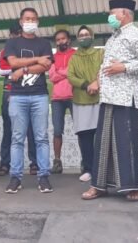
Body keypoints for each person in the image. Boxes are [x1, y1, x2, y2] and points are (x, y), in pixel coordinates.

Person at [82, 0, 138, 202]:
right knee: (103, 143)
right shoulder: (113, 37)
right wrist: (97, 81)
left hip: (127, 98)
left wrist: (124, 67)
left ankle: (133, 186)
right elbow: (105, 65)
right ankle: (99, 185)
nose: (110, 17)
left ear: (125, 14)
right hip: (108, 97)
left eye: (112, 13)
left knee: (127, 143)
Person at [3, 7, 54, 194]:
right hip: (17, 96)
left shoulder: (44, 43)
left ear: (38, 22)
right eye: (27, 18)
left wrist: (23, 70)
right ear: (21, 21)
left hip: (40, 95)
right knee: (17, 138)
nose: (30, 21)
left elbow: (45, 66)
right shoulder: (12, 43)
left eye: (33, 19)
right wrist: (37, 59)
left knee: (41, 138)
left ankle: (44, 176)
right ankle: (15, 177)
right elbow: (13, 62)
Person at [0, 23, 38, 177]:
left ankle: (34, 163)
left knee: (31, 129)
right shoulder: (5, 51)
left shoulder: (32, 50)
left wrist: (18, 68)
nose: (16, 37)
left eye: (18, 34)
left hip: (29, 91)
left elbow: (38, 67)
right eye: (13, 34)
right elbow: (1, 70)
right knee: (8, 128)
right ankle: (5, 163)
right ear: (10, 35)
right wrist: (24, 68)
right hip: (10, 93)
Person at [67, 25, 104, 182]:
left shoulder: (101, 53)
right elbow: (70, 76)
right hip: (80, 100)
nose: (84, 37)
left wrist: (97, 83)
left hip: (100, 99)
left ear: (92, 36)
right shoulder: (74, 58)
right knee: (85, 137)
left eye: (86, 34)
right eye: (81, 35)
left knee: (102, 136)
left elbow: (105, 70)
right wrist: (87, 85)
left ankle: (103, 170)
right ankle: (88, 169)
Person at [48, 29, 75, 174]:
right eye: (58, 40)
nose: (60, 41)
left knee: (81, 130)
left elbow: (75, 73)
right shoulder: (52, 57)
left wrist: (61, 71)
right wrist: (66, 72)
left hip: (74, 96)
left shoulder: (76, 55)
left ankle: (86, 163)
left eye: (63, 38)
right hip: (57, 99)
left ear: (68, 40)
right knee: (57, 131)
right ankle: (57, 162)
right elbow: (52, 77)